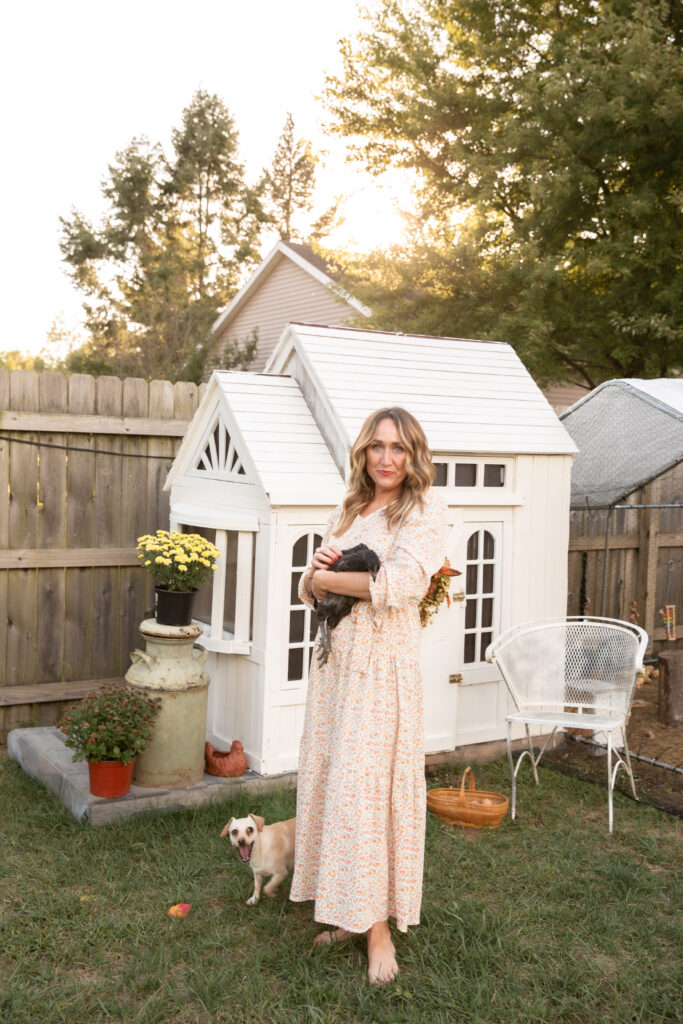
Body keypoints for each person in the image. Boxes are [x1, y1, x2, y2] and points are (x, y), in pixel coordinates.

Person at [290, 407, 448, 985]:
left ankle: (379, 930)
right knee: (336, 785)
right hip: (337, 667)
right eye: (378, 446)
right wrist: (318, 575)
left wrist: (325, 580)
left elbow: (400, 586)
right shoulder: (350, 507)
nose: (387, 458)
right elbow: (311, 585)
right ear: (364, 452)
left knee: (368, 792)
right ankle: (347, 911)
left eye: (399, 448)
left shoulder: (425, 512)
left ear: (414, 456)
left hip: (381, 673)